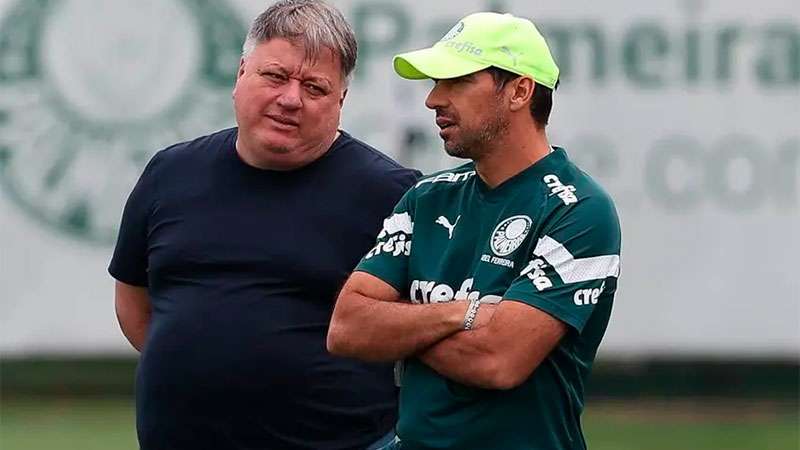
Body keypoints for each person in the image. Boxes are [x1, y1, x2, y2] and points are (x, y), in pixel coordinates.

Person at [109, 1, 419, 449]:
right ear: (240, 74)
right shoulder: (170, 173)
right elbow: (133, 300)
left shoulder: (392, 193)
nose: (291, 99)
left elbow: (421, 322)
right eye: (275, 76)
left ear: (341, 100)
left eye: (314, 87)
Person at [327, 11, 621, 450]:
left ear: (520, 91)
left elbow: (498, 361)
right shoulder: (426, 197)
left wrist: (397, 330)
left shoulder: (580, 210)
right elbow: (347, 329)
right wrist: (459, 314)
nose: (433, 99)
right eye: (434, 83)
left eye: (457, 81)